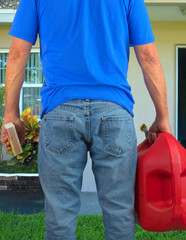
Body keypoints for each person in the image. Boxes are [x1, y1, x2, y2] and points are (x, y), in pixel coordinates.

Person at [1, 0, 171, 239]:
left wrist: (12, 116)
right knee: (119, 212)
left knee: (60, 215)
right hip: (114, 112)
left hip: (60, 112)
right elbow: (149, 58)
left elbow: (18, 54)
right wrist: (162, 117)